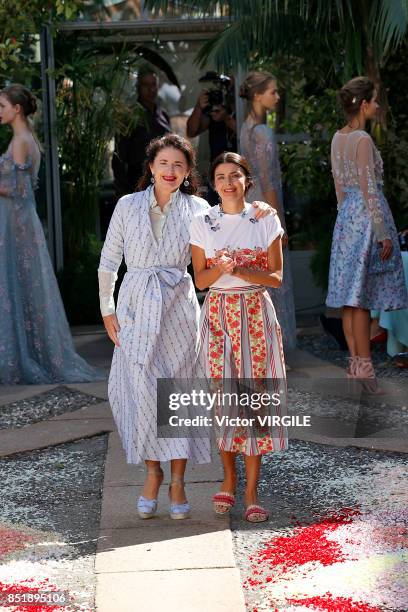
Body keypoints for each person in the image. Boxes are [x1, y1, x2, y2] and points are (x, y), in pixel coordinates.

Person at [98, 134, 273, 520]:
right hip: (135, 304)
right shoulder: (127, 206)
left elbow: (233, 218)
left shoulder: (198, 209)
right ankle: (152, 472)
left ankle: (178, 481)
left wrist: (258, 210)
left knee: (177, 396)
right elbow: (109, 262)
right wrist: (107, 310)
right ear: (151, 167)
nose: (171, 171)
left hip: (179, 306)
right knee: (141, 392)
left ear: (188, 171)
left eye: (179, 165)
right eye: (164, 164)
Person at [190, 152, 288, 523]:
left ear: (246, 180)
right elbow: (200, 280)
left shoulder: (264, 218)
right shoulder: (203, 221)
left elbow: (276, 277)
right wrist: (219, 268)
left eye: (234, 175)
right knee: (222, 398)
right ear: (212, 183)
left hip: (254, 313)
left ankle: (251, 492)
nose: (227, 182)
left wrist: (243, 268)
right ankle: (228, 480)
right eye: (220, 177)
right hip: (217, 314)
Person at [0, 84, 103, 384]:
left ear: (16, 109)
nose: (0, 111)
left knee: (20, 284)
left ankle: (27, 356)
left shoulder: (20, 141)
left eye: (2, 105)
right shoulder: (24, 138)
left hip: (17, 222)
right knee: (23, 284)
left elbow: (18, 190)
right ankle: (28, 351)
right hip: (20, 222)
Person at [326, 76, 408, 385]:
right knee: (360, 300)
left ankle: (356, 367)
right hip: (366, 218)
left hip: (347, 217)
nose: (376, 106)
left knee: (350, 298)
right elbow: (369, 187)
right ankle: (365, 371)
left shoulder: (337, 138)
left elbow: (339, 187)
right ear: (363, 104)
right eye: (374, 101)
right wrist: (383, 232)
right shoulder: (362, 139)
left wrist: (344, 221)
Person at [240, 71, 297, 351]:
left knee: (261, 276)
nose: (277, 96)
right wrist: (278, 221)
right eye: (272, 91)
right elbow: (267, 179)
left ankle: (263, 346)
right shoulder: (261, 131)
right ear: (257, 95)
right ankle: (275, 347)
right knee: (273, 276)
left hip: (251, 210)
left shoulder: (246, 128)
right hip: (264, 211)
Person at [112, 65, 171, 197]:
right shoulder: (129, 116)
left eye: (153, 84)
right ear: (138, 87)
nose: (151, 89)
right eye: (146, 85)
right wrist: (123, 191)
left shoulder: (163, 115)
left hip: (164, 182)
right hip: (137, 183)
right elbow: (118, 157)